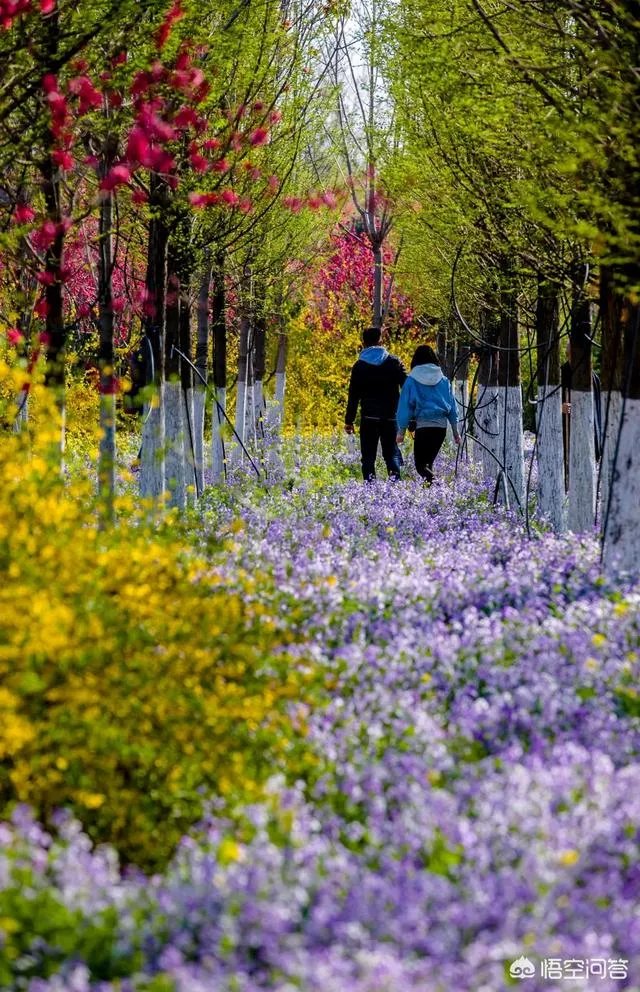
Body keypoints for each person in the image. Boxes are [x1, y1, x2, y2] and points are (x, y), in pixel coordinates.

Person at [345, 326, 407, 481]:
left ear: (363, 342)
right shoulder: (394, 362)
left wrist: (349, 421)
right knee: (391, 455)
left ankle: (369, 493)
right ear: (381, 341)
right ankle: (396, 490)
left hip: (369, 417)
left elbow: (353, 395)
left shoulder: (359, 366)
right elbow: (407, 387)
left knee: (368, 458)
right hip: (390, 416)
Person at [396, 344, 461, 483]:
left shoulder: (411, 380)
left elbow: (405, 407)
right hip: (440, 429)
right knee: (428, 464)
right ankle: (432, 497)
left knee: (420, 467)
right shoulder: (443, 380)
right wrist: (456, 432)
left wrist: (401, 431)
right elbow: (452, 407)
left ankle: (439, 486)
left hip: (423, 427)